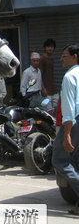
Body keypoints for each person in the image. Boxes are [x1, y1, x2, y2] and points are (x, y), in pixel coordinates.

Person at [52, 44, 79, 215]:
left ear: (75, 56)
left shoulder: (70, 77)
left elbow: (69, 110)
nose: (61, 58)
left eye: (64, 55)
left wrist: (67, 134)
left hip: (75, 121)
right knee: (75, 160)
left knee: (59, 160)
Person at [41, 38, 59, 110]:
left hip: (53, 89)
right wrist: (43, 88)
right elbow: (40, 75)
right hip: (46, 90)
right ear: (45, 48)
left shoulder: (51, 59)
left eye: (52, 47)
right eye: (48, 46)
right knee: (48, 110)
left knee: (56, 108)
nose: (50, 48)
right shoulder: (42, 59)